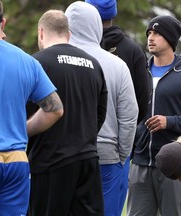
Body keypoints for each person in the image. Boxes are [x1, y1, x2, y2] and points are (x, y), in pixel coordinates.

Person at [0, 1, 64, 215]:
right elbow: (55, 109)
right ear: (3, 23)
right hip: (16, 162)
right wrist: (22, 129)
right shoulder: (27, 60)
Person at [26, 10, 108, 216]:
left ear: (41, 33)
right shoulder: (93, 64)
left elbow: (25, 113)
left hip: (50, 161)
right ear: (68, 34)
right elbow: (100, 112)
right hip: (87, 159)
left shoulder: (36, 63)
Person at [65, 2, 138, 216]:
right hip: (108, 152)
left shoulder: (56, 60)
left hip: (66, 154)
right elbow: (129, 115)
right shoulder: (116, 64)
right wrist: (121, 154)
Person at [127, 15, 181, 216]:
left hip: (175, 166)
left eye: (157, 33)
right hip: (140, 164)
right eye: (149, 33)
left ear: (170, 39)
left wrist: (169, 122)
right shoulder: (139, 72)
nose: (151, 38)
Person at [84, 0, 151, 213]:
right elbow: (141, 102)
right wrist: (125, 147)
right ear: (113, 14)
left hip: (76, 146)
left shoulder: (74, 49)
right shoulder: (132, 50)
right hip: (116, 148)